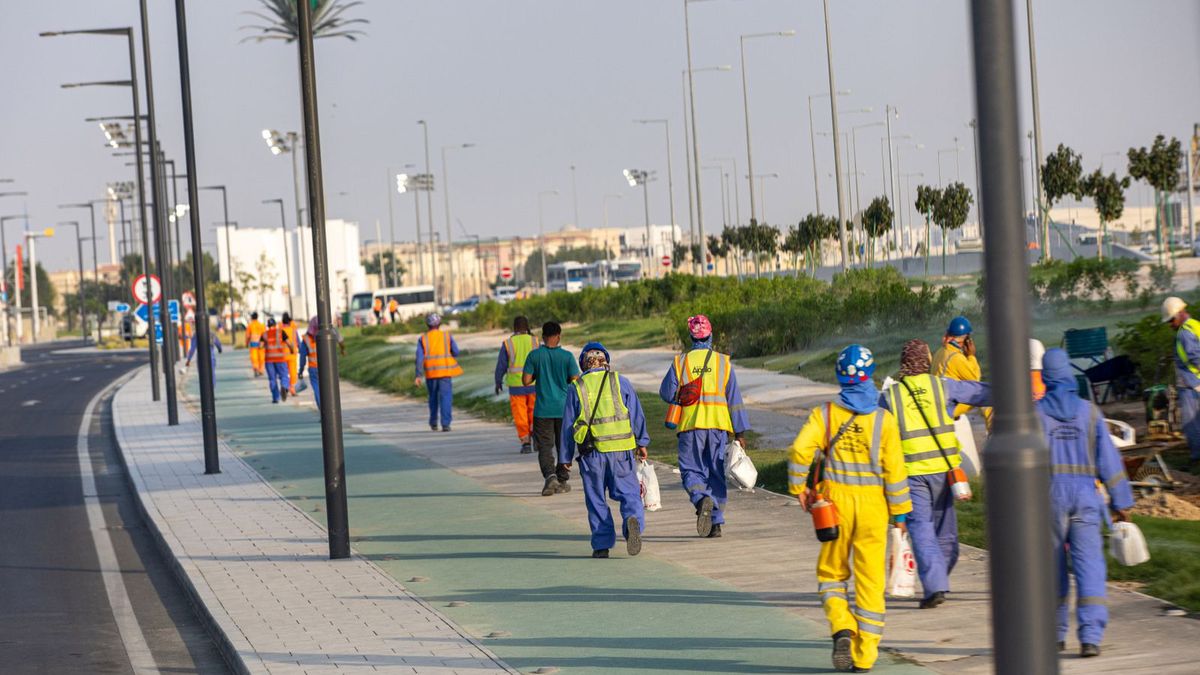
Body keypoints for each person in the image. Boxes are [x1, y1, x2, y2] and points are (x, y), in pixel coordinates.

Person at [788, 344, 911, 673]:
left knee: (831, 574)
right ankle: (864, 657)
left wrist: (798, 487)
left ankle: (842, 627)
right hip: (874, 509)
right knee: (871, 584)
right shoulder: (884, 420)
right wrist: (900, 514)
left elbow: (801, 451)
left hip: (835, 505)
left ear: (840, 376)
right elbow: (896, 473)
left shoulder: (826, 414)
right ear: (870, 376)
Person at [879, 339, 990, 609]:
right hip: (944, 472)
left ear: (903, 363)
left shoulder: (890, 396)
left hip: (911, 474)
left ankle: (935, 583)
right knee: (945, 529)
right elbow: (978, 392)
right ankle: (937, 579)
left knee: (922, 529)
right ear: (926, 361)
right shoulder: (942, 386)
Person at [1038, 348, 1134, 658]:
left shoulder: (1035, 414)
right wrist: (1122, 503)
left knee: (1052, 568)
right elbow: (1109, 461)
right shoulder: (1089, 412)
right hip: (1085, 499)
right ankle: (1091, 636)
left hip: (1049, 500)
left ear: (1045, 377)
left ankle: (1055, 634)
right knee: (1089, 566)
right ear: (1068, 374)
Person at [658, 314, 750, 537]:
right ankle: (716, 523)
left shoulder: (681, 362)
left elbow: (666, 393)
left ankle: (701, 499)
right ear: (711, 335)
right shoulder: (723, 362)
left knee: (691, 471)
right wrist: (740, 433)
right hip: (718, 427)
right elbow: (734, 400)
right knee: (716, 474)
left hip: (691, 427)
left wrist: (681, 394)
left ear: (691, 336)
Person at [559, 342, 649, 558]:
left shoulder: (577, 387)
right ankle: (631, 521)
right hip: (622, 450)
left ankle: (601, 545)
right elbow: (636, 413)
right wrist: (642, 442)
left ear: (584, 364)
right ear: (605, 360)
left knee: (596, 498)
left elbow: (568, 425)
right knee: (629, 495)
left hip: (592, 454)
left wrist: (565, 457)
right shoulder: (620, 381)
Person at [522, 321, 581, 496]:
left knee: (545, 446)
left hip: (542, 410)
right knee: (564, 445)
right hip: (564, 409)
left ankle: (550, 477)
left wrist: (538, 375)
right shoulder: (567, 356)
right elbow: (576, 380)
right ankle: (562, 479)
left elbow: (525, 381)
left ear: (543, 336)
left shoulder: (534, 356)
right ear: (559, 336)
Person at [932, 316, 992, 425]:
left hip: (938, 402)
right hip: (948, 406)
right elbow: (975, 379)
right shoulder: (956, 357)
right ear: (966, 340)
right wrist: (971, 355)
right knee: (979, 393)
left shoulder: (940, 351)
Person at [495, 316, 539, 453]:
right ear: (527, 326)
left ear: (514, 328)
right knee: (535, 412)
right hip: (534, 384)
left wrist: (498, 381)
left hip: (516, 386)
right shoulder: (535, 341)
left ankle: (526, 443)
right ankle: (537, 438)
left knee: (520, 415)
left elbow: (501, 365)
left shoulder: (508, 343)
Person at [1164, 296, 1200, 467]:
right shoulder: (1195, 325)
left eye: (1171, 320)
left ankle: (1196, 457)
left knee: (1190, 422)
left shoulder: (1185, 332)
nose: (1170, 324)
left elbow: (1195, 357)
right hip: (1193, 382)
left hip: (1190, 384)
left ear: (1179, 314)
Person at [414, 313, 462, 431]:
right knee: (446, 398)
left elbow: (419, 359)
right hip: (445, 372)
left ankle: (433, 422)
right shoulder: (446, 336)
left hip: (431, 374)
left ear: (427, 325)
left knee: (433, 398)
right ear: (439, 324)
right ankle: (445, 424)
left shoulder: (423, 339)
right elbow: (456, 351)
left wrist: (418, 375)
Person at [298, 315, 345, 407]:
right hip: (329, 368)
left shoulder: (306, 339)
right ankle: (332, 410)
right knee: (330, 389)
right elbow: (341, 340)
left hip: (314, 368)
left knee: (317, 390)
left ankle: (323, 411)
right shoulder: (331, 332)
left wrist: (300, 370)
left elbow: (302, 357)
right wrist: (342, 350)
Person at [263, 317, 295, 403]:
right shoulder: (281, 332)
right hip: (280, 359)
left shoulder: (265, 334)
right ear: (275, 325)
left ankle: (275, 398)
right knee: (284, 376)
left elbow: (260, 345)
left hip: (269, 360)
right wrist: (292, 351)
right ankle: (284, 387)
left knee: (272, 379)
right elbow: (289, 344)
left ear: (268, 326)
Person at [185, 321, 223, 389]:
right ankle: (211, 390)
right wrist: (220, 350)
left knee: (202, 375)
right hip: (211, 356)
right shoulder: (211, 333)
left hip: (201, 357)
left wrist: (188, 359)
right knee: (211, 374)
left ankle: (205, 391)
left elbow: (192, 348)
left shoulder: (196, 335)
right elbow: (218, 343)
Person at [281, 312, 300, 396]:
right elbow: (298, 341)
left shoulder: (280, 331)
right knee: (293, 372)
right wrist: (299, 348)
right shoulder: (293, 330)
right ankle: (292, 389)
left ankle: (285, 387)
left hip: (283, 355)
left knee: (284, 373)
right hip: (292, 354)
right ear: (289, 321)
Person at [245, 311, 266, 377]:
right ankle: (261, 370)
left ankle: (256, 369)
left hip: (253, 344)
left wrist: (246, 343)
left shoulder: (250, 325)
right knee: (261, 357)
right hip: (261, 344)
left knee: (254, 358)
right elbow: (264, 335)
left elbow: (248, 336)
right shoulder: (261, 325)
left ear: (252, 317)